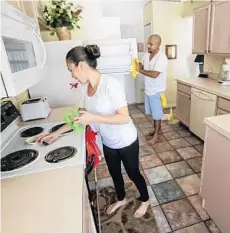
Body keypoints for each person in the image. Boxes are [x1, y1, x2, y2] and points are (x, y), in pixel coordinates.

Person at [37, 45, 150, 218]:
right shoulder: (85, 88)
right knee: (114, 172)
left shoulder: (111, 85)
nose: (72, 74)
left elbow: (124, 118)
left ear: (81, 65)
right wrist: (57, 133)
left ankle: (145, 199)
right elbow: (81, 116)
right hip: (108, 141)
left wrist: (93, 118)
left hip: (126, 140)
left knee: (133, 172)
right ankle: (121, 198)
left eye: (71, 70)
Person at [137, 34, 168, 145]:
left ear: (158, 45)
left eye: (151, 44)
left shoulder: (162, 58)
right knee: (153, 113)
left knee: (157, 114)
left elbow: (155, 74)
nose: (148, 46)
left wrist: (139, 70)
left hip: (157, 90)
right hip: (148, 89)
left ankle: (157, 136)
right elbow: (141, 62)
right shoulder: (146, 54)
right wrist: (138, 64)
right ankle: (157, 130)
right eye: (148, 43)